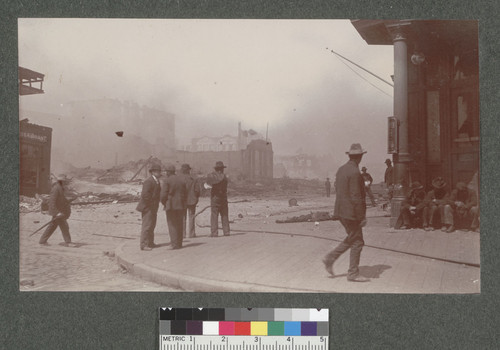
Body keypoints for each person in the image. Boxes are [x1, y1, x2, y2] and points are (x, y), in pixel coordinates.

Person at [322, 143, 369, 282]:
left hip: (342, 211)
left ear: (350, 156)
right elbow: (356, 196)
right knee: (358, 242)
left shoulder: (341, 169)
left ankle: (330, 258)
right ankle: (353, 273)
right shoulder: (355, 173)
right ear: (360, 157)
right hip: (351, 213)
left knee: (353, 237)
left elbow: (339, 190)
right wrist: (361, 217)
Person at [39, 174, 75, 247]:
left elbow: (62, 199)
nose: (65, 183)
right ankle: (68, 242)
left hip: (60, 211)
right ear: (60, 181)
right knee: (64, 226)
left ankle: (42, 241)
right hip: (57, 211)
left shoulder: (61, 188)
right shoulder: (55, 188)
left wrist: (69, 200)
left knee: (52, 226)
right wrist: (57, 213)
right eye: (64, 181)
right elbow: (52, 202)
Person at [136, 163, 162, 251]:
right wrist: (151, 205)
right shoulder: (149, 181)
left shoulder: (156, 181)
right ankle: (143, 245)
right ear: (153, 172)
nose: (160, 173)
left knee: (152, 225)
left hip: (153, 207)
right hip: (147, 207)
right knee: (146, 226)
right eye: (158, 171)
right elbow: (145, 195)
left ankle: (150, 242)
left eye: (159, 171)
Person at [160, 164, 187, 249]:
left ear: (168, 172)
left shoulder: (167, 181)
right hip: (181, 205)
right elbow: (185, 193)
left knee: (172, 224)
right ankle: (179, 244)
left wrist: (164, 203)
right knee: (179, 224)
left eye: (166, 171)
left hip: (171, 205)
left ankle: (174, 244)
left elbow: (163, 195)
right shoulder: (181, 180)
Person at [206, 161, 230, 237]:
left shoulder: (212, 176)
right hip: (223, 197)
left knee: (214, 215)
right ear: (222, 169)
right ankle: (226, 232)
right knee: (224, 214)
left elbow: (207, 186)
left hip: (215, 197)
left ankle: (214, 232)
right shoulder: (225, 177)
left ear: (216, 169)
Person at [180, 163, 201, 238]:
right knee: (191, 216)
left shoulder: (179, 178)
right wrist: (196, 197)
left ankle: (182, 234)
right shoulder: (194, 179)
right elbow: (197, 190)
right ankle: (191, 234)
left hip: (182, 200)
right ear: (189, 170)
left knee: (182, 217)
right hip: (192, 200)